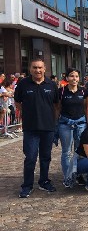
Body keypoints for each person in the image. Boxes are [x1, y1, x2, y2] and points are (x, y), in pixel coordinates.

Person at [14, 58, 59, 198]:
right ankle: (27, 185)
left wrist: (53, 121)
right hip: (31, 128)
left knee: (46, 157)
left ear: (45, 69)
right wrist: (27, 114)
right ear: (30, 69)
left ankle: (44, 181)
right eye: (35, 67)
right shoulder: (23, 84)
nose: (37, 70)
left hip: (48, 128)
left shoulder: (51, 85)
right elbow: (17, 102)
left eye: (40, 68)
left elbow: (56, 105)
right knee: (31, 157)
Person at [56, 68, 87, 188]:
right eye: (71, 76)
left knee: (80, 151)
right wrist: (56, 123)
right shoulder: (61, 91)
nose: (74, 79)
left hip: (80, 124)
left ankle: (78, 175)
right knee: (66, 152)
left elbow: (86, 108)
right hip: (65, 124)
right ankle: (67, 177)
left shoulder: (83, 91)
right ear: (67, 78)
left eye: (76, 76)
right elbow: (58, 108)